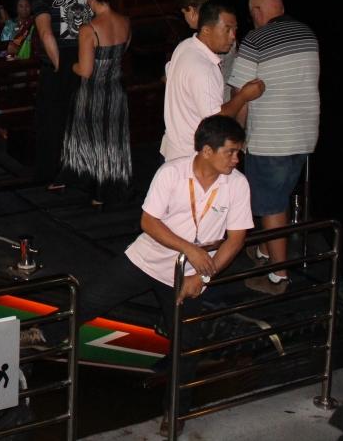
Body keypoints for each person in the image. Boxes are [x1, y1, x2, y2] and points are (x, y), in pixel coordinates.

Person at [72, 115, 252, 427]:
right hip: (146, 260)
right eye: (231, 152)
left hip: (187, 276)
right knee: (88, 300)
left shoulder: (237, 184)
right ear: (207, 151)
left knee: (186, 344)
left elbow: (236, 239)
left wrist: (202, 278)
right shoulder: (171, 173)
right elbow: (148, 222)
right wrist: (190, 249)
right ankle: (41, 334)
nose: (237, 159)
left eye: (238, 152)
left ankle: (175, 411)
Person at [227, 0, 320, 295]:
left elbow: (241, 95)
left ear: (257, 12)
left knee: (271, 205)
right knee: (279, 194)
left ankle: (278, 276)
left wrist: (236, 138)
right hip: (304, 136)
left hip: (271, 139)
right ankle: (266, 251)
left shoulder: (256, 40)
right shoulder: (308, 34)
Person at [161, 1, 264, 161]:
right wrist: (244, 96)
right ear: (206, 30)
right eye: (227, 29)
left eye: (235, 29)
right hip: (193, 158)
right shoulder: (205, 68)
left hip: (174, 149)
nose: (233, 36)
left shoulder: (184, 46)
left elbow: (168, 75)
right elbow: (214, 121)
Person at [59, 0, 131, 206]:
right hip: (116, 92)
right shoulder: (125, 22)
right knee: (113, 142)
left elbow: (86, 70)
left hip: (94, 93)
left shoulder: (89, 29)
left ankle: (95, 191)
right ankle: (111, 189)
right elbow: (121, 54)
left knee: (92, 141)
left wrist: (70, 65)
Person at [31, 0, 91, 185]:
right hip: (84, 60)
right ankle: (77, 171)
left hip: (59, 64)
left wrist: (57, 65)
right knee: (77, 119)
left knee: (50, 122)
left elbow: (46, 34)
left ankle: (49, 175)